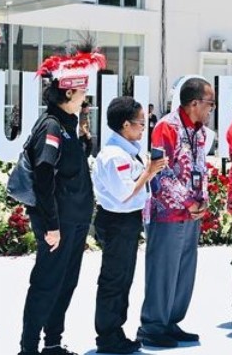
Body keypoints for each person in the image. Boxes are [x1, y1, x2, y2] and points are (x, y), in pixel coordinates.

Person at [19, 42, 105, 355]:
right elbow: (44, 175)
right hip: (58, 224)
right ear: (69, 93)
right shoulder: (51, 126)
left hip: (76, 221)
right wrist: (51, 225)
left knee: (66, 284)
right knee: (46, 284)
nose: (86, 100)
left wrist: (84, 138)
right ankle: (28, 348)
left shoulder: (69, 125)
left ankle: (52, 343)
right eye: (83, 94)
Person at [137, 77, 213, 348]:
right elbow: (161, 174)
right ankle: (152, 327)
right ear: (194, 103)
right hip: (166, 213)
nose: (211, 109)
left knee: (184, 271)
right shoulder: (165, 127)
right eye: (209, 104)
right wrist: (186, 201)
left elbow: (201, 168)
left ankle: (170, 322)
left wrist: (202, 199)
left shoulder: (200, 132)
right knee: (163, 270)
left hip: (191, 213)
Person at [92, 97, 167, 353]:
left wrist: (148, 170)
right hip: (117, 222)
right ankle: (107, 335)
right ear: (125, 125)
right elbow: (124, 193)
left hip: (125, 222)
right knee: (114, 279)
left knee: (123, 278)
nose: (143, 128)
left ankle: (115, 331)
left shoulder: (126, 151)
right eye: (140, 123)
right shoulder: (115, 155)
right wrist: (150, 172)